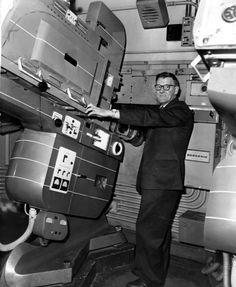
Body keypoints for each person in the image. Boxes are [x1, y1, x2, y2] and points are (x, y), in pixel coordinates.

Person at [85, 72, 194, 287]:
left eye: (167, 87)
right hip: (156, 181)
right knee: (157, 233)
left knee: (149, 232)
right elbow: (144, 116)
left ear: (176, 90)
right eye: (159, 87)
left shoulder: (180, 111)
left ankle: (148, 280)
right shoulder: (162, 111)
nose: (162, 90)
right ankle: (154, 275)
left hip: (163, 183)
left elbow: (149, 116)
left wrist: (110, 113)